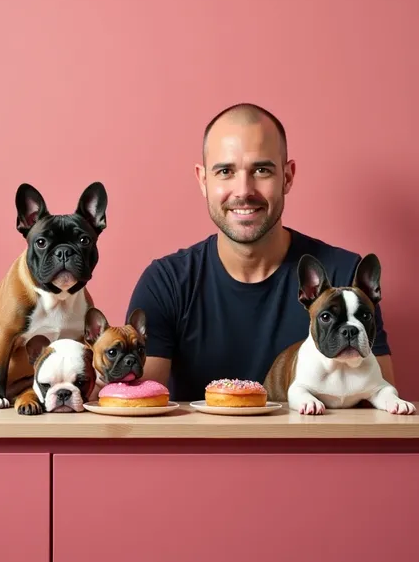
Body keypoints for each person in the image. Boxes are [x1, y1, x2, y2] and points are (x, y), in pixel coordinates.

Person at [125, 103, 394, 402]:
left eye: (262, 170)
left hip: (312, 450)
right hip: (200, 451)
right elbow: (138, 404)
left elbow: (378, 406)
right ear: (203, 180)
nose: (244, 190)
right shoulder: (166, 283)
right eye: (225, 171)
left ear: (288, 176)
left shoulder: (344, 275)